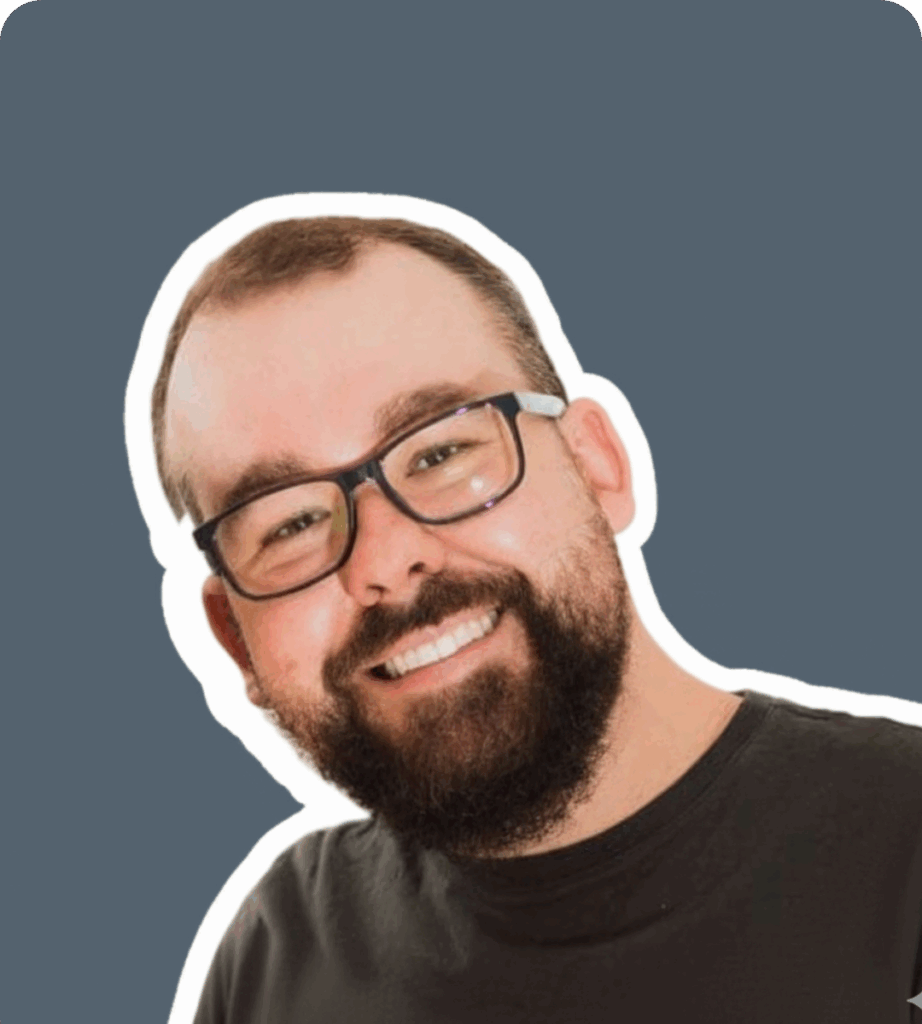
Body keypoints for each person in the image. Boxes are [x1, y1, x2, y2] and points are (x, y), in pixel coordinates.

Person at [143, 206, 922, 1023]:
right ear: (234, 640)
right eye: (291, 525)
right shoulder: (275, 960)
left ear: (598, 466)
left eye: (441, 452)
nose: (386, 562)